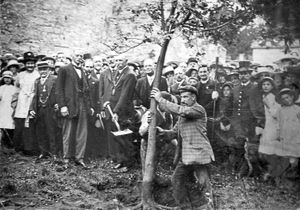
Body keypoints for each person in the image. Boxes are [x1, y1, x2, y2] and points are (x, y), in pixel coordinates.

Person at [151, 85, 215, 209]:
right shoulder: (182, 114)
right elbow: (174, 132)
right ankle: (185, 207)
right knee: (176, 180)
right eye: (181, 97)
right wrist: (161, 131)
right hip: (186, 156)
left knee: (203, 184)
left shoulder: (198, 109)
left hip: (199, 154)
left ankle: (209, 206)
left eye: (186, 97)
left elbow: (182, 111)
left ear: (194, 98)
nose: (183, 100)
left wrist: (160, 99)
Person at [55, 50, 94, 167]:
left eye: (81, 56)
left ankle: (79, 157)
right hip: (70, 105)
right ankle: (66, 158)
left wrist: (90, 106)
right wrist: (62, 106)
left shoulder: (83, 70)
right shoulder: (64, 69)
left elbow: (87, 91)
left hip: (82, 105)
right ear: (72, 57)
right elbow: (59, 89)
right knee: (67, 132)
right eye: (77, 55)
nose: (79, 58)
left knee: (82, 132)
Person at [29, 61, 59, 160]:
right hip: (40, 109)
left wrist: (58, 103)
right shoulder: (37, 81)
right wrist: (32, 109)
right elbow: (34, 96)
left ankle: (54, 153)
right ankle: (43, 151)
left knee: (51, 130)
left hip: (50, 109)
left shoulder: (54, 79)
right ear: (38, 70)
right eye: (41, 69)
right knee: (40, 131)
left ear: (49, 70)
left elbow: (59, 93)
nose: (43, 71)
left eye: (45, 69)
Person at [13, 51, 40, 155]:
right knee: (20, 123)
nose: (30, 65)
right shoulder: (20, 75)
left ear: (34, 64)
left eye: (32, 63)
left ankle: (31, 148)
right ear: (25, 64)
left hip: (32, 100)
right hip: (22, 101)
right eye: (28, 63)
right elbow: (16, 88)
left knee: (31, 124)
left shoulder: (37, 74)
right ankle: (19, 148)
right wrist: (14, 103)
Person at [0, 71, 19, 149]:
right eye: (5, 78)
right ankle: (3, 144)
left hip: (10, 108)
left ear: (11, 79)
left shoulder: (14, 88)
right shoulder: (1, 88)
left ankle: (11, 145)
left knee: (10, 125)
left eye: (9, 78)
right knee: (2, 125)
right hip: (2, 108)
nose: (7, 80)